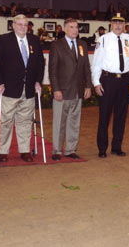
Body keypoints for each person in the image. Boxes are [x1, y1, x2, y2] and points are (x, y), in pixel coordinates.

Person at [0, 14, 45, 162]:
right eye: (20, 24)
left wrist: (38, 81)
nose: (23, 27)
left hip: (28, 88)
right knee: (6, 121)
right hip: (9, 88)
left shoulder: (34, 40)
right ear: (13, 25)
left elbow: (40, 63)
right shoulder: (4, 40)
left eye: (25, 24)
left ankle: (25, 150)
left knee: (25, 121)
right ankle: (2, 151)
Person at [48, 18, 92, 161]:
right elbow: (52, 70)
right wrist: (56, 89)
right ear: (65, 29)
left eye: (76, 27)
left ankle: (70, 149)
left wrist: (88, 86)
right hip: (62, 90)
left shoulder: (82, 45)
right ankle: (56, 150)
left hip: (78, 90)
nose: (75, 30)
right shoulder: (56, 45)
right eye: (72, 27)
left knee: (74, 122)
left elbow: (86, 67)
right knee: (59, 122)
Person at [91, 13, 129, 157]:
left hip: (124, 81)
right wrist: (96, 83)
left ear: (124, 25)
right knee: (105, 115)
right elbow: (96, 63)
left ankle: (117, 147)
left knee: (121, 116)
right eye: (115, 23)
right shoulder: (103, 40)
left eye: (120, 23)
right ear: (111, 24)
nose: (118, 25)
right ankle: (102, 148)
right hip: (108, 81)